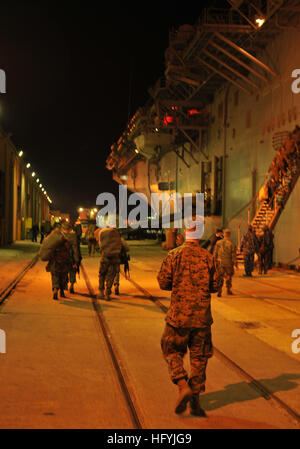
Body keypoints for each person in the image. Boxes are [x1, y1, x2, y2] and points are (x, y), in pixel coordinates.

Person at [158, 217, 222, 417]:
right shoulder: (209, 258)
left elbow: (163, 282)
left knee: (171, 350)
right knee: (199, 359)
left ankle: (182, 384)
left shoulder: (173, 255)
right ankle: (195, 401)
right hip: (202, 319)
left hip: (178, 317)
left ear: (185, 232)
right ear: (200, 233)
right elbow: (216, 286)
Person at [44, 221, 80, 300]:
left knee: (55, 275)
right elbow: (75, 250)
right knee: (64, 276)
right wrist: (76, 261)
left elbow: (49, 247)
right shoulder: (72, 237)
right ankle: (62, 291)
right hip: (66, 259)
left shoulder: (56, 235)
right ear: (69, 228)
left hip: (55, 260)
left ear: (62, 228)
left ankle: (55, 288)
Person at [97, 226, 122, 300]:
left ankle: (101, 292)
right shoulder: (116, 233)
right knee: (111, 276)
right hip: (114, 259)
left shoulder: (101, 232)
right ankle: (108, 293)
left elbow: (100, 245)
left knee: (102, 274)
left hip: (104, 258)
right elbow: (125, 247)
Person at [213, 229, 237, 297]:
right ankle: (228, 290)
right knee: (229, 276)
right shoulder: (231, 244)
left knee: (220, 277)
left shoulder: (218, 243)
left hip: (220, 262)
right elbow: (233, 255)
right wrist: (235, 263)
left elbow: (215, 253)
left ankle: (219, 291)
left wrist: (214, 261)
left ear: (223, 234)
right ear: (229, 235)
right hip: (228, 262)